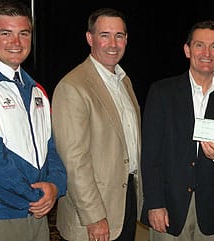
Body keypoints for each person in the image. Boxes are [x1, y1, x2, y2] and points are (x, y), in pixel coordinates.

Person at [0, 0, 67, 240]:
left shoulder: (38, 91)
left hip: (35, 216)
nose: (16, 43)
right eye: (6, 33)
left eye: (23, 34)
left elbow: (51, 150)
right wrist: (34, 197)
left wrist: (55, 187)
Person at [140, 20, 214, 241]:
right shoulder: (161, 92)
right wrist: (155, 203)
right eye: (199, 45)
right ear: (187, 50)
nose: (207, 53)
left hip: (211, 210)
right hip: (168, 208)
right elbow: (150, 154)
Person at [52, 7, 142, 241]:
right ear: (90, 38)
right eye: (105, 35)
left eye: (119, 35)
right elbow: (74, 160)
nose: (113, 43)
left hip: (124, 201)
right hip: (94, 213)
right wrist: (94, 216)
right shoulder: (73, 86)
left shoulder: (124, 81)